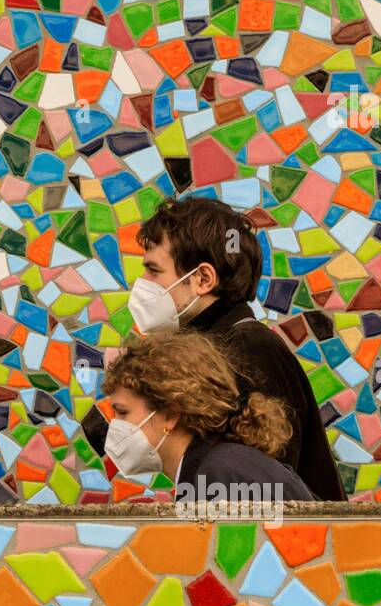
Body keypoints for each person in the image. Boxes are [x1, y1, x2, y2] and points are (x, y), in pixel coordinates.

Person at [127, 196, 347, 501]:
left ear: (202, 279)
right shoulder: (214, 348)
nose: (142, 282)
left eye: (153, 270)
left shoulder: (249, 351)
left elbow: (263, 488)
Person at [102, 329, 314, 502]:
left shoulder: (219, 475)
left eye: (122, 412)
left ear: (170, 415)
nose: (116, 425)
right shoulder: (220, 465)